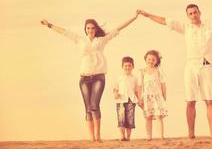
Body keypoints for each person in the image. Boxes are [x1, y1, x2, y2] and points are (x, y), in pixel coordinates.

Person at [137, 0, 212, 139]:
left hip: (207, 65)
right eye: (190, 13)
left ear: (199, 12)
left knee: (210, 100)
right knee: (190, 101)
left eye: (195, 12)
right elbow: (165, 20)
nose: (193, 15)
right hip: (191, 66)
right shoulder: (185, 27)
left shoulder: (210, 24)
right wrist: (147, 15)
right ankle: (191, 133)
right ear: (187, 16)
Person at [40, 13, 138, 141]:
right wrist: (49, 25)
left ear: (96, 29)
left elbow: (119, 28)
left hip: (99, 77)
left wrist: (134, 17)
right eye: (88, 28)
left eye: (92, 28)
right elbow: (64, 32)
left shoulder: (102, 40)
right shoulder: (79, 39)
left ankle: (98, 136)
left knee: (94, 105)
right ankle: (92, 138)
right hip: (84, 77)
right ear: (85, 29)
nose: (90, 30)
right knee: (87, 108)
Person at [138, 50, 167, 141]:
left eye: (153, 59)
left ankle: (161, 136)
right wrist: (140, 99)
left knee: (159, 116)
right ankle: (149, 136)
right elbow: (139, 86)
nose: (151, 61)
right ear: (145, 59)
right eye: (149, 59)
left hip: (157, 97)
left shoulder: (159, 71)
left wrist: (164, 96)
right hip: (147, 97)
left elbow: (163, 84)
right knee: (148, 117)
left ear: (157, 61)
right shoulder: (142, 71)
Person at [113, 56, 138, 141]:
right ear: (122, 67)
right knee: (121, 119)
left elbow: (136, 90)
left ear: (133, 67)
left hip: (131, 100)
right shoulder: (119, 77)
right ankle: (122, 136)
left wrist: (138, 101)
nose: (127, 67)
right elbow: (115, 88)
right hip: (120, 101)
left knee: (130, 119)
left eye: (129, 65)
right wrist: (115, 93)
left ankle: (128, 137)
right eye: (126, 65)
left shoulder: (134, 78)